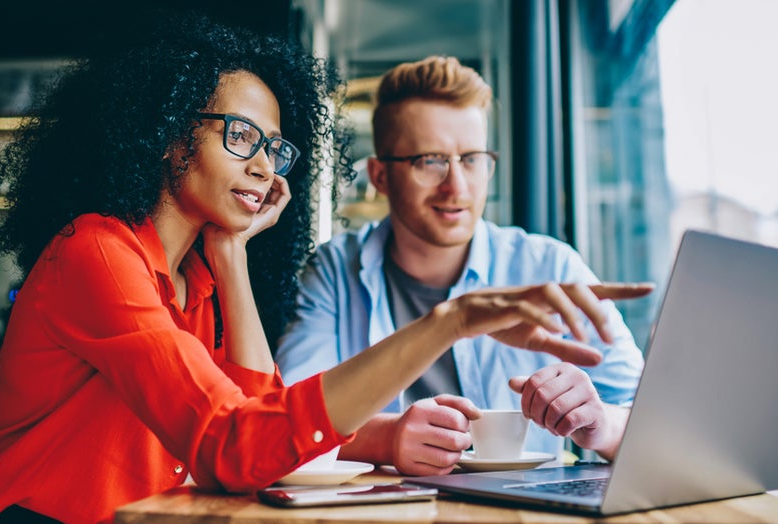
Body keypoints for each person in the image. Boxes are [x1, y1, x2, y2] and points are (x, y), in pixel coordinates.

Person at [0, 17, 649, 522]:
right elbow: (237, 446)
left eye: (273, 148)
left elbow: (258, 432)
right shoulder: (97, 253)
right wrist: (449, 323)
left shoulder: (199, 279)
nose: (260, 165)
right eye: (240, 135)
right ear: (165, 136)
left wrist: (233, 253)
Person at [275, 55, 649, 476]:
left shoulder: (549, 266)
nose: (457, 186)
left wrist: (600, 425)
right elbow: (285, 419)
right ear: (380, 176)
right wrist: (387, 437)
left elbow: (653, 419)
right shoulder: (335, 269)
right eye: (430, 161)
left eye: (471, 159)